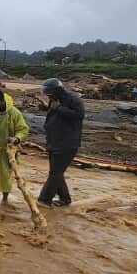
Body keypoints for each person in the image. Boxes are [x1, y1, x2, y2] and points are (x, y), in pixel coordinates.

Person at [38, 77, 84, 207]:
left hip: (67, 143)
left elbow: (79, 115)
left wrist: (59, 108)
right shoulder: (54, 99)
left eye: (49, 93)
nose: (48, 95)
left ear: (57, 90)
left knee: (55, 173)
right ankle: (65, 199)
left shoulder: (73, 99)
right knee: (57, 172)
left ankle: (44, 199)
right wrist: (46, 108)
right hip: (54, 142)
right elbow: (55, 114)